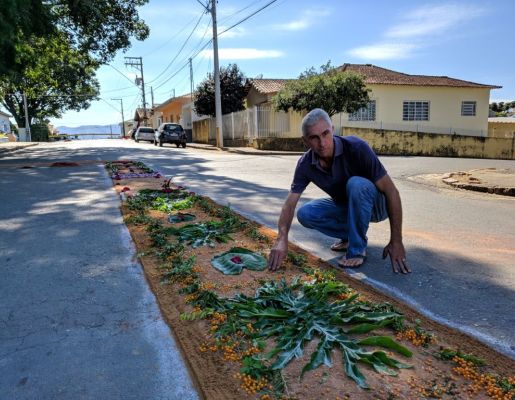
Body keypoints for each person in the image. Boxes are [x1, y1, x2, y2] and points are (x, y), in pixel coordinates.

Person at [267, 108, 411, 274]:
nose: (322, 143)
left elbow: (392, 192)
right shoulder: (305, 164)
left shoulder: (357, 148)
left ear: (333, 130)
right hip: (348, 206)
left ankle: (357, 249)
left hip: (377, 206)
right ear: (305, 140)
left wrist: (397, 240)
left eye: (325, 134)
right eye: (314, 138)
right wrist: (281, 238)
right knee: (306, 213)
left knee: (356, 184)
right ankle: (350, 238)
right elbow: (289, 204)